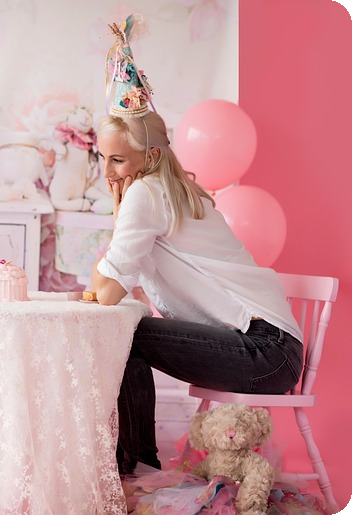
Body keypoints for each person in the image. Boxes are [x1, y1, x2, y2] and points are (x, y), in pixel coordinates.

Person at [92, 15, 304, 474]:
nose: (107, 172)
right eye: (102, 158)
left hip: (264, 351)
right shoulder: (169, 190)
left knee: (122, 331)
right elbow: (114, 280)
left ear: (150, 156)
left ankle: (135, 468)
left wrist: (118, 213)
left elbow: (107, 292)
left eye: (117, 160)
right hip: (275, 349)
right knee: (126, 331)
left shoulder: (146, 194)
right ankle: (135, 466)